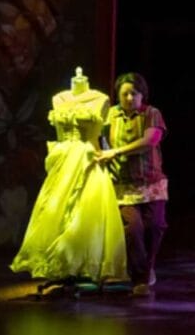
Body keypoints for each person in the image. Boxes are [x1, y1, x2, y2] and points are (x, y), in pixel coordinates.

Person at [12, 68, 126, 286]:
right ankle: (61, 265)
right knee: (56, 210)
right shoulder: (58, 99)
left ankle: (80, 264)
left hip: (88, 159)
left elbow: (103, 136)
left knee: (86, 214)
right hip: (63, 161)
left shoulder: (101, 99)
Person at [97, 72, 168, 295]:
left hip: (151, 182)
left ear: (142, 95)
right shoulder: (110, 115)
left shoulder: (151, 113)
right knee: (133, 229)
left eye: (134, 94)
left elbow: (150, 140)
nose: (129, 98)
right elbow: (100, 140)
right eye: (124, 94)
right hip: (123, 184)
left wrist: (116, 152)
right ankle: (140, 278)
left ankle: (146, 269)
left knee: (154, 226)